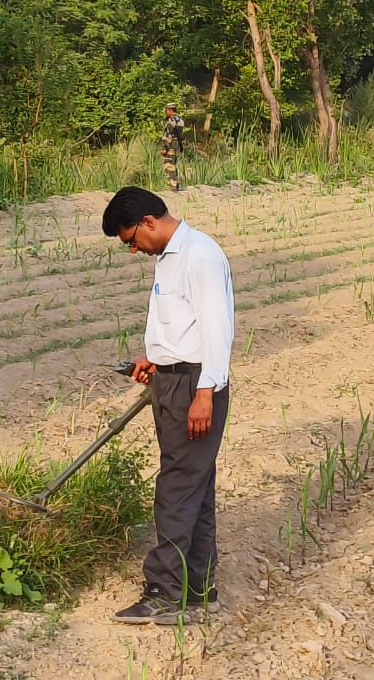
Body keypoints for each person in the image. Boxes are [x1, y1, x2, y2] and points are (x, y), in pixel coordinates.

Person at [101, 186, 233, 625]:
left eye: (131, 240)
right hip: (175, 381)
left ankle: (163, 592)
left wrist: (204, 394)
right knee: (195, 488)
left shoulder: (199, 255)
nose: (134, 249)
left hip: (196, 386)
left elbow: (217, 329)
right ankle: (199, 590)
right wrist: (154, 362)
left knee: (176, 489)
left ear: (148, 223)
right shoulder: (168, 258)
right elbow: (183, 329)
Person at [161, 103, 185, 192]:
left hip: (171, 145)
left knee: (169, 165)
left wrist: (165, 148)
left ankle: (172, 186)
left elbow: (168, 135)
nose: (165, 112)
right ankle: (177, 183)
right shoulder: (181, 120)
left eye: (166, 110)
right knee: (174, 164)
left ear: (170, 110)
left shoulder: (170, 120)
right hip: (178, 145)